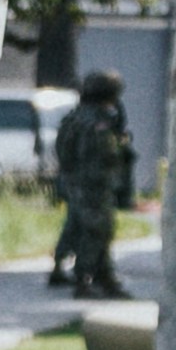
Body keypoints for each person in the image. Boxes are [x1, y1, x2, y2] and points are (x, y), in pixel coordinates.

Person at [53, 69, 135, 298]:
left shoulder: (76, 116)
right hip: (94, 185)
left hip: (78, 182)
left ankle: (98, 274)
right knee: (97, 230)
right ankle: (85, 278)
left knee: (80, 226)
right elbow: (105, 154)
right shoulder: (98, 121)